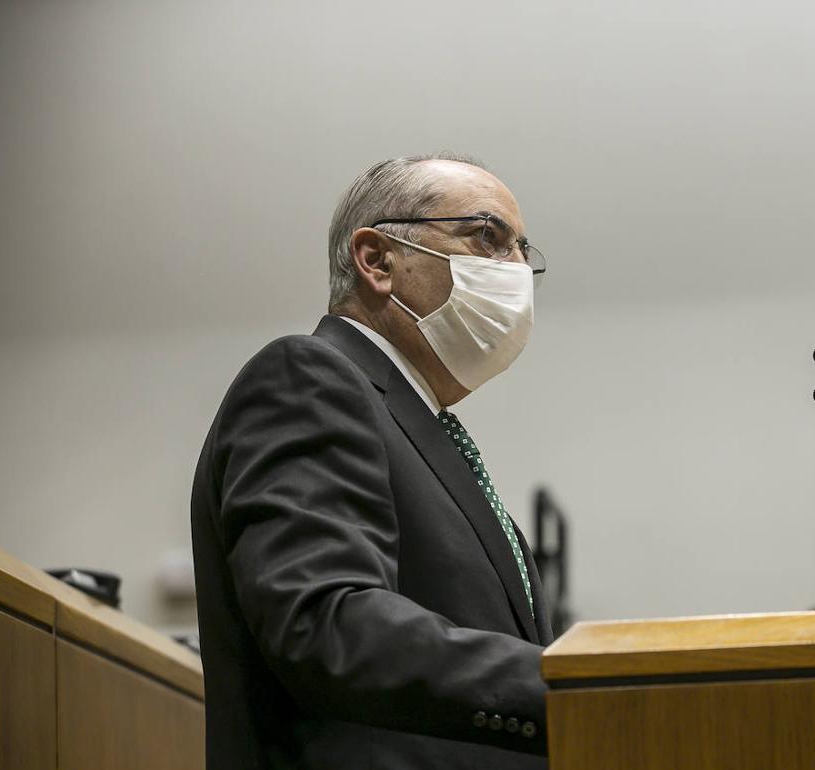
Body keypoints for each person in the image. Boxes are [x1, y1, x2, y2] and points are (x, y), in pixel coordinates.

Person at [190, 154, 553, 769]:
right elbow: (324, 620)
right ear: (378, 261)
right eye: (489, 237)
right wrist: (572, 683)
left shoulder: (430, 434)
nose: (515, 268)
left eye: (524, 252)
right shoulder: (307, 378)